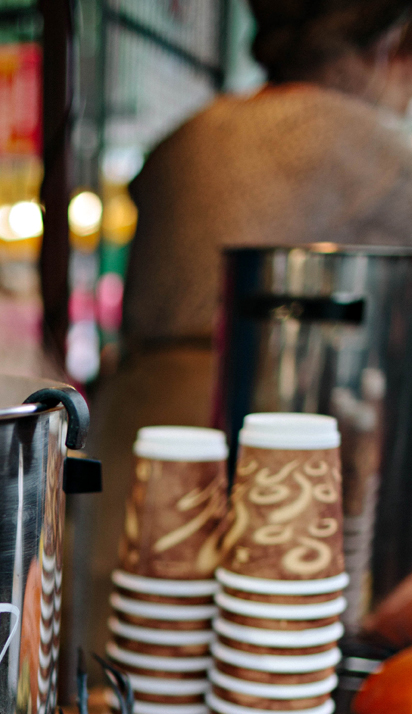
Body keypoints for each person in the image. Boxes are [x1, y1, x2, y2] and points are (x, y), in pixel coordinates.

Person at [82, 0, 412, 675]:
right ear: (386, 48)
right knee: (249, 677)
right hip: (260, 434)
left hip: (129, 426)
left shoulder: (184, 136)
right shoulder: (380, 146)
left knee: (114, 669)